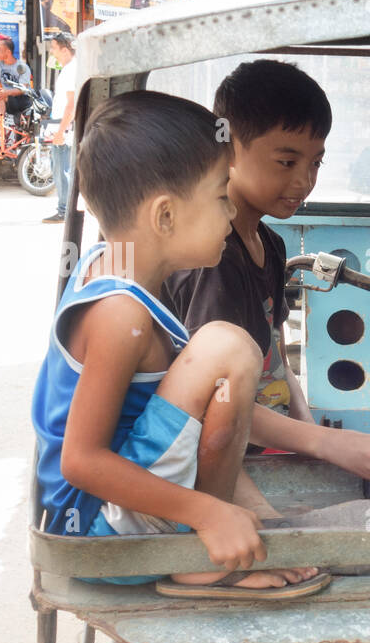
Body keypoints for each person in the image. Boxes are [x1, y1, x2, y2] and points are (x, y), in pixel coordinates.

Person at [162, 59, 370, 643]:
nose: (302, 179)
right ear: (228, 149)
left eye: (314, 161)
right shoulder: (210, 256)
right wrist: (333, 451)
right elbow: (225, 402)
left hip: (266, 441)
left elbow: (272, 366)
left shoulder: (270, 244)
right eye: (285, 159)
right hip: (213, 459)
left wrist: (325, 437)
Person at [32, 89, 326, 600]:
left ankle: (203, 547)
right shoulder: (120, 315)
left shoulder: (112, 267)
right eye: (219, 197)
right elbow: (80, 461)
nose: (229, 213)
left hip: (103, 517)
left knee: (220, 355)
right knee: (227, 347)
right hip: (93, 532)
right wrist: (208, 515)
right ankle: (200, 558)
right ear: (164, 216)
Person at [44, 31, 77, 224]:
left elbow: (71, 104)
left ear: (64, 49)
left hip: (64, 129)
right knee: (61, 168)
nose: (52, 52)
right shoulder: (69, 69)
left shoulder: (71, 70)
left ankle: (64, 211)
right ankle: (65, 209)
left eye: (54, 48)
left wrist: (61, 131)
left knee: (61, 170)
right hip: (63, 127)